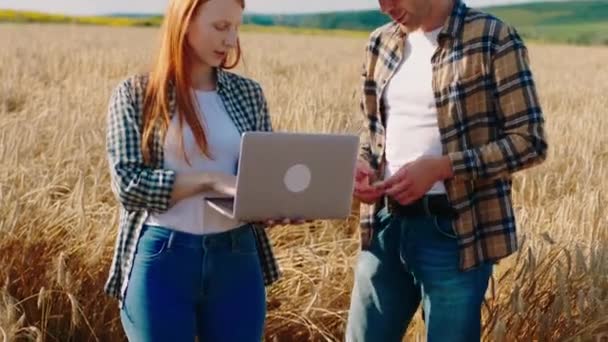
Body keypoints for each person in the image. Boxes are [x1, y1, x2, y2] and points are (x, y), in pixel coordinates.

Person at [346, 0, 548, 341]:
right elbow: (375, 135)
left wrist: (443, 168)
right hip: (383, 225)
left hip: (455, 232)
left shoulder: (493, 38)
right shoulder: (380, 43)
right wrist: (365, 166)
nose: (384, 7)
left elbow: (529, 141)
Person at [103, 0, 294, 340]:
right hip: (162, 258)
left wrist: (276, 204)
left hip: (237, 258)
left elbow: (259, 178)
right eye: (221, 27)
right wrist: (211, 180)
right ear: (184, 23)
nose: (231, 40)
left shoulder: (248, 94)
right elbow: (128, 186)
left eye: (236, 28)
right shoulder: (136, 95)